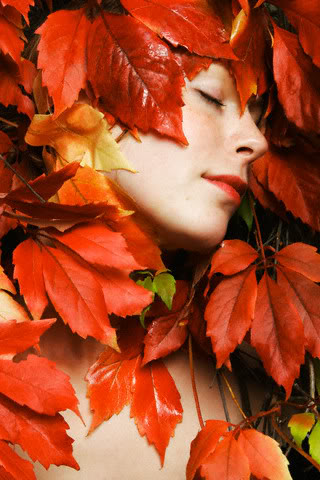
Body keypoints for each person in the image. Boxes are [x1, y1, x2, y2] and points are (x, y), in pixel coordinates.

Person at [26, 59, 268, 479]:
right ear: (78, 96)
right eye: (212, 97)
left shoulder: (262, 404)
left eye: (259, 115)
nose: (256, 140)